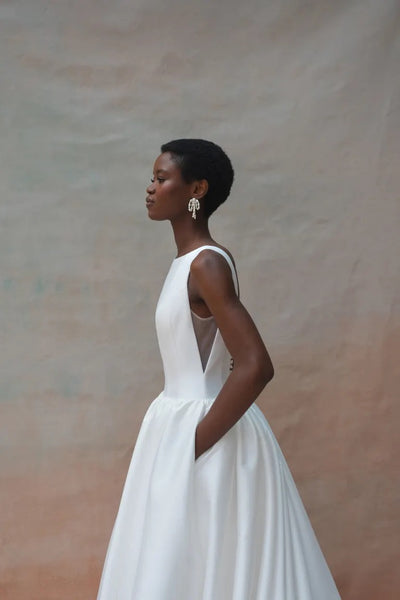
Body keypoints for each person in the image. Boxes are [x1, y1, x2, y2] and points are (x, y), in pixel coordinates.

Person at [96, 139, 341, 599]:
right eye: (152, 178)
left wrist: (191, 445)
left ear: (197, 188)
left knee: (212, 555)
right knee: (176, 558)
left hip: (206, 434)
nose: (150, 188)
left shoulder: (207, 263)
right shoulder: (187, 263)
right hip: (174, 425)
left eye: (161, 178)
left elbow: (255, 366)